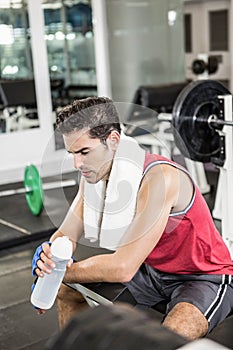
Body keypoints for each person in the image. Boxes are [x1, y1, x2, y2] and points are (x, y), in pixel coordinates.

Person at [31, 96, 233, 341]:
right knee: (66, 290)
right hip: (152, 272)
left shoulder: (159, 178)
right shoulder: (95, 175)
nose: (77, 163)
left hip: (202, 276)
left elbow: (123, 267)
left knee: (165, 340)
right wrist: (49, 259)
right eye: (72, 153)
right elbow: (66, 233)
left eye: (84, 151)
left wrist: (59, 272)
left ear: (114, 141)